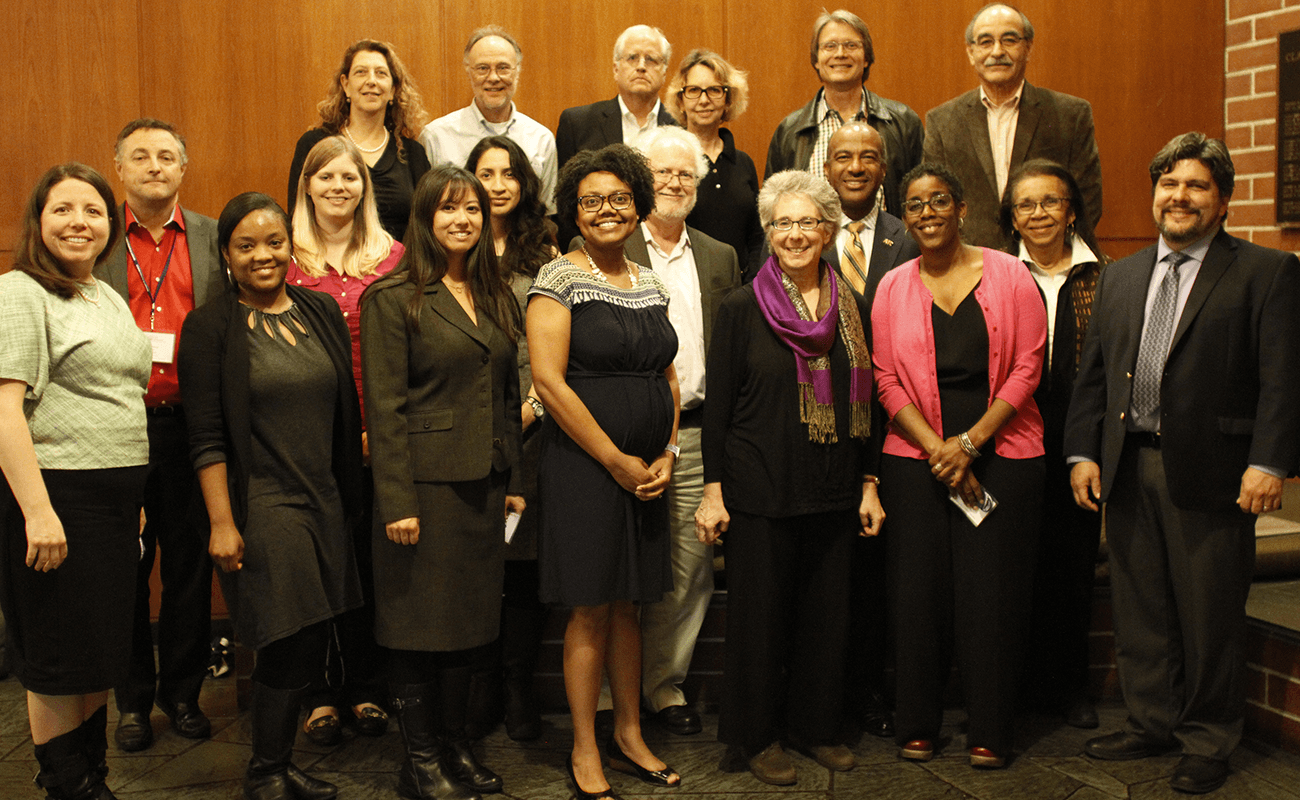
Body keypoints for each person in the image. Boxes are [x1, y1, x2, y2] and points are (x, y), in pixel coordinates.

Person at [1065, 133, 1300, 795]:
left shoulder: (1265, 272)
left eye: (1196, 185)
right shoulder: (1121, 273)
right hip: (1129, 465)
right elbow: (1097, 376)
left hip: (1217, 472)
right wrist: (1084, 451)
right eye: (1169, 184)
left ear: (1223, 200)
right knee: (1142, 608)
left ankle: (1208, 738)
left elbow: (1285, 379)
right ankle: (1150, 720)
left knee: (1208, 614)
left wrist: (1270, 462)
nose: (1179, 197)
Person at [695, 169, 881, 786]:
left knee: (826, 620)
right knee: (760, 623)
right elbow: (717, 409)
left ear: (827, 231)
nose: (795, 234)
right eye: (783, 224)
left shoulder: (851, 306)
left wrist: (869, 483)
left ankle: (814, 726)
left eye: (807, 222)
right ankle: (757, 736)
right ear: (768, 233)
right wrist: (714, 491)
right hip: (759, 491)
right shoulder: (741, 306)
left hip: (831, 487)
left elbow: (869, 404)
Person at [178, 192, 364, 800]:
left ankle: (275, 766)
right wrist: (222, 524)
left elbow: (344, 410)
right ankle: (266, 771)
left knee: (311, 635)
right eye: (246, 246)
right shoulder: (210, 326)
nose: (263, 255)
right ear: (226, 255)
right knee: (290, 633)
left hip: (324, 498)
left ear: (291, 245)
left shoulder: (318, 311)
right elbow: (205, 435)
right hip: (261, 503)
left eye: (274, 242)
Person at [871, 163, 1046, 769]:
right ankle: (917, 722)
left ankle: (990, 728)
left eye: (938, 201)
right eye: (914, 205)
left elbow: (1028, 366)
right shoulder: (892, 286)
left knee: (989, 595)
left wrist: (969, 444)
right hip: (915, 459)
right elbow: (885, 379)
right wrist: (938, 448)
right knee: (916, 594)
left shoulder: (1009, 274)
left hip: (1003, 452)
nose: (927, 213)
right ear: (905, 215)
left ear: (961, 207)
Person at [362, 165, 524, 800]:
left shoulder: (497, 294)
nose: (463, 220)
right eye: (449, 209)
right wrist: (396, 501)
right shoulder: (393, 297)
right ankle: (421, 759)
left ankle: (456, 745)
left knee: (468, 627)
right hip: (422, 492)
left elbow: (506, 391)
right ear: (425, 220)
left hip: (482, 488)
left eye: (473, 210)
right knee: (416, 628)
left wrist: (510, 476)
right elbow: (386, 407)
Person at [528, 144, 681, 798]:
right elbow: (549, 383)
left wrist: (666, 455)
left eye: (619, 197)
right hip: (586, 468)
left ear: (638, 203)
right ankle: (585, 746)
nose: (607, 209)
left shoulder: (649, 281)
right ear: (574, 211)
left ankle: (628, 733)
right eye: (592, 200)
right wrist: (615, 459)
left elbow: (669, 378)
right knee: (591, 608)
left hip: (648, 470)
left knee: (631, 608)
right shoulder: (557, 278)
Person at [0, 163, 149, 800]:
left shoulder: (104, 294)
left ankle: (93, 780)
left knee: (97, 655)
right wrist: (38, 510)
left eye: (92, 211)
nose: (79, 223)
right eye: (62, 209)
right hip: (57, 498)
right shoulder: (19, 291)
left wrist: (133, 503)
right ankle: (68, 784)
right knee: (60, 662)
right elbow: (4, 410)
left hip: (111, 506)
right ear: (38, 221)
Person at [95, 118, 221, 754]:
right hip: (116, 424)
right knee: (125, 570)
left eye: (166, 156)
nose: (154, 166)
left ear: (182, 169)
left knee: (191, 568)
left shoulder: (210, 236)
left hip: (189, 428)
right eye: (139, 157)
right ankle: (132, 702)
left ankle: (185, 693)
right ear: (119, 168)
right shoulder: (94, 236)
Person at [615, 127, 740, 738]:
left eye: (685, 175)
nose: (674, 183)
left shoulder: (720, 256)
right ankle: (617, 697)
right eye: (662, 174)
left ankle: (663, 687)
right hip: (624, 435)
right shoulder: (609, 250)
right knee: (622, 565)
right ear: (643, 181)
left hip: (695, 432)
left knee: (691, 567)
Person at [287, 135, 405, 747]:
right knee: (316, 565)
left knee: (369, 564)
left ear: (365, 188)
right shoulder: (283, 256)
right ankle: (318, 692)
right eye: (326, 176)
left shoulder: (394, 257)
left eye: (350, 177)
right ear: (307, 185)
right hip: (303, 440)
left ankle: (366, 686)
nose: (339, 186)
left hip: (377, 437)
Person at [998, 159, 1107, 731]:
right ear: (1010, 217)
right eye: (1025, 204)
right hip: (1007, 439)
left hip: (1076, 441)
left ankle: (1068, 688)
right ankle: (1007, 688)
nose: (1038, 213)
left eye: (1050, 202)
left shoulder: (1105, 276)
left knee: (1070, 569)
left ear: (1070, 211)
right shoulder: (990, 272)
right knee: (1011, 568)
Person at [820, 119, 919, 740]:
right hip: (823, 421)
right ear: (825, 168)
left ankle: (880, 690)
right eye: (843, 157)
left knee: (887, 573)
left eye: (868, 158)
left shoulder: (911, 238)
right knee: (832, 571)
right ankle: (831, 691)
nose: (855, 167)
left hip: (897, 419)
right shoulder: (803, 232)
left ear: (885, 170)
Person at [463, 135, 558, 743]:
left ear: (524, 184)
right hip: (465, 435)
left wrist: (526, 409)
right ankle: (478, 687)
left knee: (523, 566)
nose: (497, 184)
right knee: (473, 561)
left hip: (533, 429)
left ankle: (519, 685)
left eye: (508, 174)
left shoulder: (546, 252)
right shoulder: (451, 244)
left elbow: (551, 347)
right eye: (485, 173)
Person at [923, 3, 1102, 249]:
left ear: (1028, 48)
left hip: (1047, 266)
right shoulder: (942, 121)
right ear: (971, 52)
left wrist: (1052, 255)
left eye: (1009, 40)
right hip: (969, 267)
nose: (997, 51)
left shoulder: (1070, 114)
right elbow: (935, 200)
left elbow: (1087, 199)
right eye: (985, 42)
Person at [765, 9, 923, 218]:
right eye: (830, 46)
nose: (840, 54)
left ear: (866, 58)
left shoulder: (903, 122)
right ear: (816, 60)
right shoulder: (790, 131)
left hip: (888, 248)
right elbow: (773, 208)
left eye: (851, 45)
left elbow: (921, 196)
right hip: (813, 248)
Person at [289, 39, 431, 242]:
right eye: (361, 72)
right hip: (327, 269)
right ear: (345, 85)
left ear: (392, 90)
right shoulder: (314, 144)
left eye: (381, 73)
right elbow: (298, 217)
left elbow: (426, 226)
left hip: (400, 269)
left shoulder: (414, 154)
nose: (371, 81)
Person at [553, 25, 678, 248]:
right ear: (615, 68)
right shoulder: (577, 122)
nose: (641, 66)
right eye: (632, 58)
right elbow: (565, 205)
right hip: (596, 252)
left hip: (667, 249)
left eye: (651, 59)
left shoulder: (682, 127)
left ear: (665, 71)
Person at [420, 27, 558, 214]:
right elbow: (425, 211)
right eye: (483, 68)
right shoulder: (435, 136)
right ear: (468, 71)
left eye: (503, 68)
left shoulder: (541, 139)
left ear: (517, 70)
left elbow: (546, 213)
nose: (493, 78)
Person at [663, 49, 764, 276]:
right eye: (694, 91)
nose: (704, 100)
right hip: (685, 283)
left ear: (728, 100)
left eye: (715, 90)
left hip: (740, 286)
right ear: (680, 101)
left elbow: (756, 235)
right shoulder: (670, 160)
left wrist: (752, 284)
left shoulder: (744, 162)